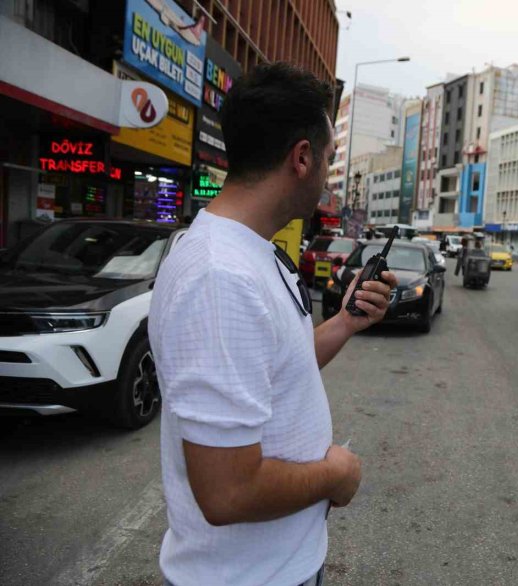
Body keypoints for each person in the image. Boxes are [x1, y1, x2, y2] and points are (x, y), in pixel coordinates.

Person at [149, 64, 398, 586]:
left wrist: (345, 324)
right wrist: (336, 472)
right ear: (301, 158)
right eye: (329, 159)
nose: (329, 175)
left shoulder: (249, 252)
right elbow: (227, 493)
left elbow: (281, 366)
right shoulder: (220, 276)